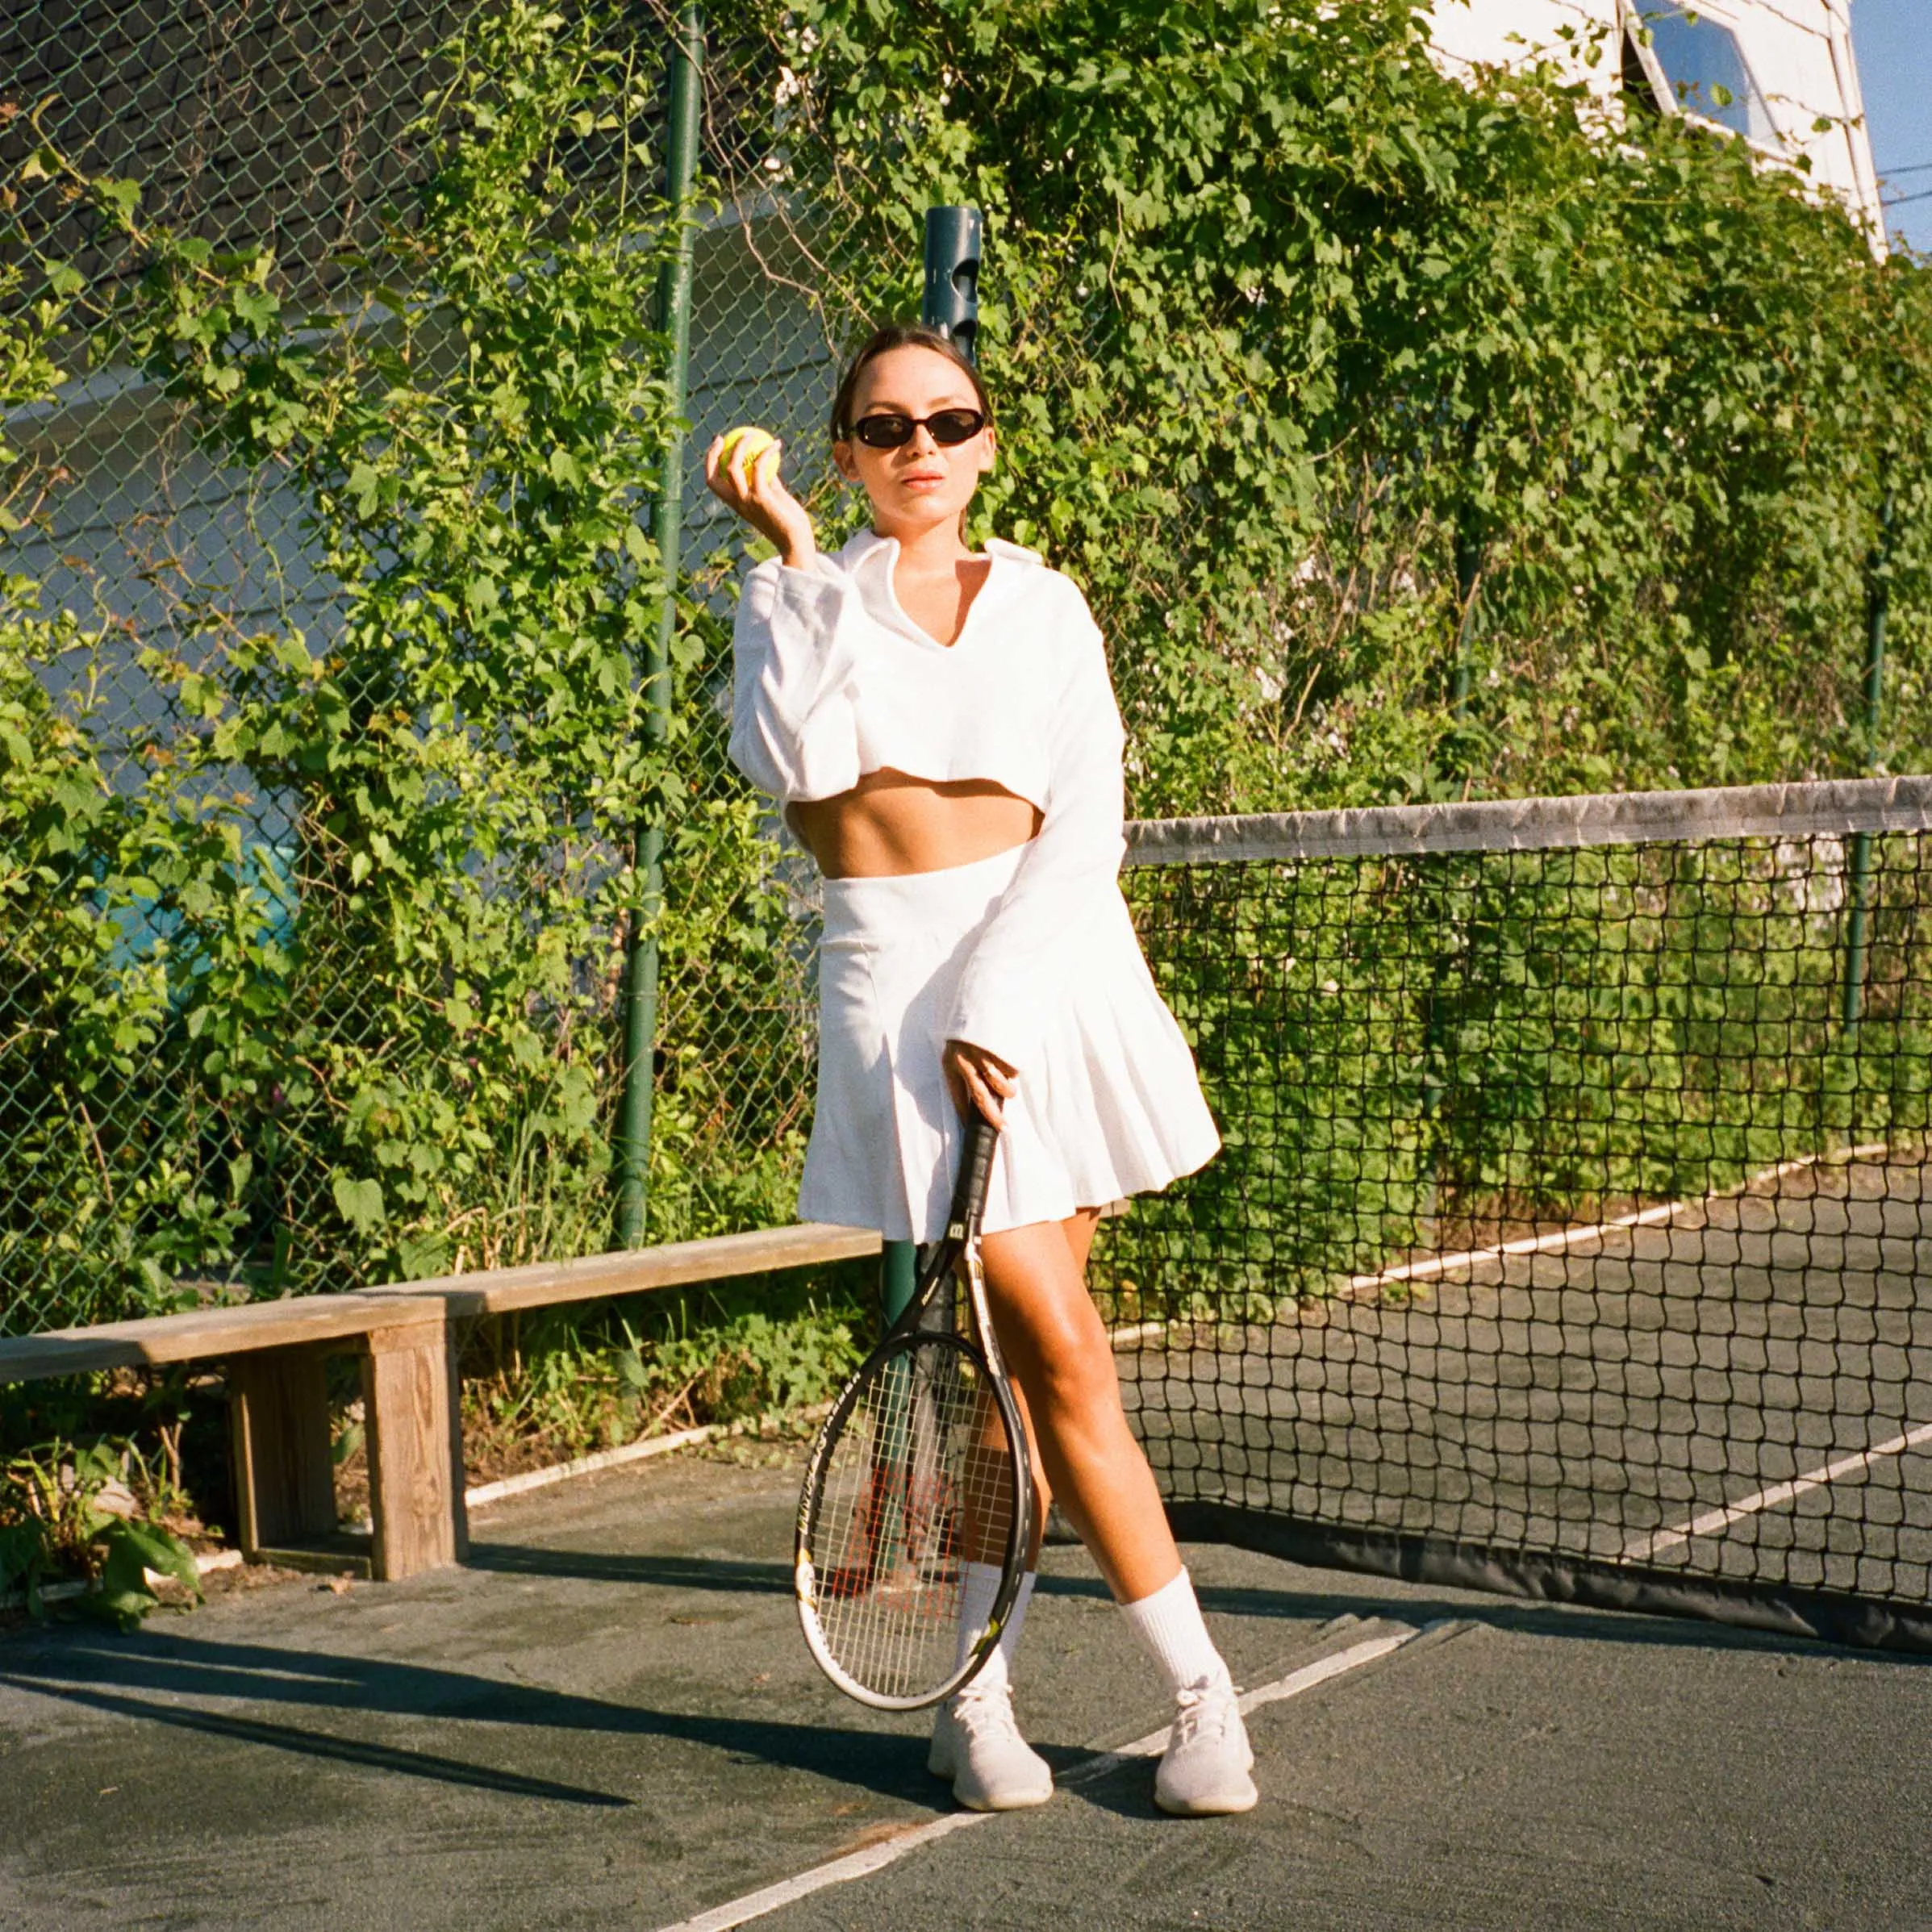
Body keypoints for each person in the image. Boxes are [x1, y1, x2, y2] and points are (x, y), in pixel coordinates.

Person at [705, 322, 1254, 1818]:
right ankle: (999, 1695)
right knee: (1030, 1362)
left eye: (949, 421)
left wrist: (1000, 1001)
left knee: (1039, 1355)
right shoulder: (794, 596)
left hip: (1050, 975)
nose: (921, 448)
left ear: (987, 442)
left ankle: (1194, 1705)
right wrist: (799, 556)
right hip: (892, 985)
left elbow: (1087, 824)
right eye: (886, 428)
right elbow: (790, 768)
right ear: (846, 453)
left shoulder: (1045, 608)